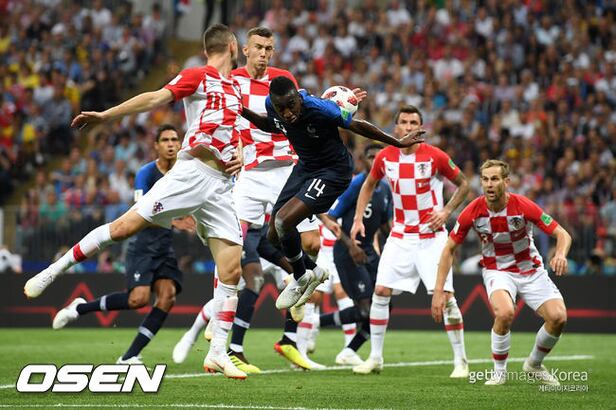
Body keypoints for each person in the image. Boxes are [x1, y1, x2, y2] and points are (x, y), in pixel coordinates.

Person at [24, 24, 247, 379]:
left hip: (221, 184)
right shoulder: (197, 75)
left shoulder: (235, 87)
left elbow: (239, 132)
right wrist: (106, 115)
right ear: (232, 46)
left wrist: (241, 154)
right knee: (123, 228)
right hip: (192, 174)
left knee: (232, 270)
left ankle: (218, 351)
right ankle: (54, 270)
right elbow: (155, 98)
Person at [172, 26, 321, 372]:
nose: (264, 53)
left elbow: (299, 115)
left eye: (269, 48)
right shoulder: (232, 80)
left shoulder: (284, 79)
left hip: (285, 169)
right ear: (245, 49)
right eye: (258, 47)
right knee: (230, 245)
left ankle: (298, 289)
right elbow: (222, 120)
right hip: (250, 174)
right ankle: (218, 326)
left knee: (312, 242)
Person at [241, 78, 426, 312]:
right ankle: (313, 271)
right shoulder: (273, 105)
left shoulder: (320, 109)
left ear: (298, 98)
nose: (287, 113)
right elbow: (271, 124)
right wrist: (242, 110)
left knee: (282, 221)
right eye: (281, 108)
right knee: (273, 235)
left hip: (333, 172)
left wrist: (396, 142)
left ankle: (301, 277)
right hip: (305, 168)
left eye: (291, 105)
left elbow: (358, 126)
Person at [52, 125, 194, 364]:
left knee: (168, 296)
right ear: (156, 146)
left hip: (164, 246)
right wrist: (175, 221)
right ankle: (80, 308)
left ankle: (130, 356)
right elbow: (140, 214)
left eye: (174, 139)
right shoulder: (146, 174)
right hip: (143, 245)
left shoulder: (183, 173)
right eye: (165, 140)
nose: (171, 144)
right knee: (138, 300)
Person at [351, 105, 470, 377]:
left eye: (413, 122)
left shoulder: (435, 156)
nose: (408, 126)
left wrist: (446, 211)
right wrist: (358, 219)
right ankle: (375, 358)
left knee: (446, 298)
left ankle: (461, 361)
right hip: (400, 236)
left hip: (431, 238)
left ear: (420, 128)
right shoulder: (385, 156)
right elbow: (368, 185)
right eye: (403, 122)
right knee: (381, 291)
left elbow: (464, 184)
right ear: (396, 128)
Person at [431, 159, 571, 386]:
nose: (489, 184)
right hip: (497, 270)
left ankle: (534, 364)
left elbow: (562, 234)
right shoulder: (472, 211)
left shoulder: (523, 205)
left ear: (506, 182)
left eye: (494, 179)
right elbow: (448, 249)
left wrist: (561, 254)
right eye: (485, 179)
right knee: (505, 313)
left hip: (530, 269)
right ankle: (499, 372)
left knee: (558, 318)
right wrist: (439, 290)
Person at [317, 143, 393, 366]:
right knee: (366, 309)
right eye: (371, 157)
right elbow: (330, 217)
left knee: (385, 305)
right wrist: (350, 245)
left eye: (380, 158)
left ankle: (348, 351)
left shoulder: (386, 189)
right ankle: (315, 323)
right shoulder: (356, 184)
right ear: (363, 160)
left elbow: (386, 226)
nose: (376, 161)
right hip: (348, 252)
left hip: (369, 251)